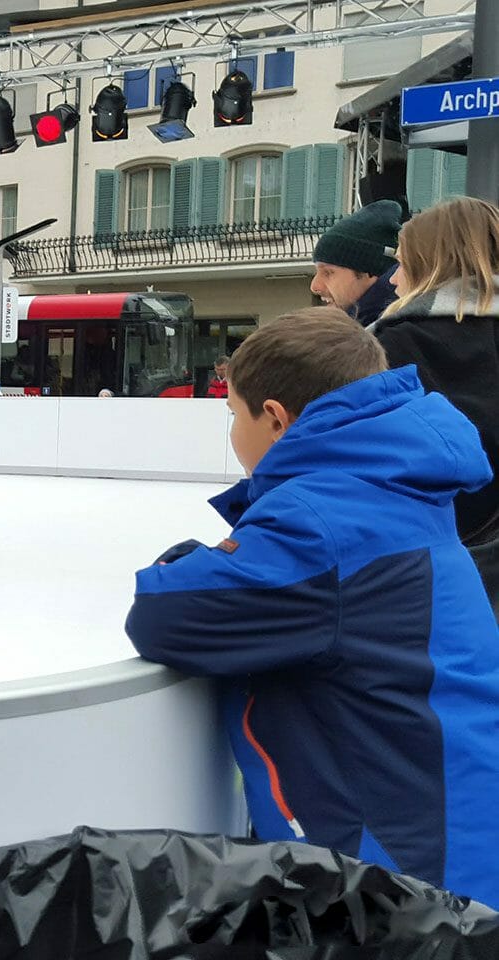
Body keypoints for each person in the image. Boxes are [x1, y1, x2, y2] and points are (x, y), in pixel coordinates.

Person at [125, 307, 499, 908]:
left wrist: (185, 559)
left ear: (274, 418)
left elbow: (168, 616)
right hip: (463, 820)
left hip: (417, 878)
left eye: (232, 415)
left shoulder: (322, 517)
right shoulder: (392, 482)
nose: (232, 433)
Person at [374, 196, 499, 617]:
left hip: (419, 587)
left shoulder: (382, 350)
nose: (393, 280)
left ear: (432, 266)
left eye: (404, 263)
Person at [309, 199, 403, 327]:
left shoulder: (391, 336)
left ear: (369, 273)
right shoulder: (376, 327)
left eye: (328, 272)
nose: (315, 286)